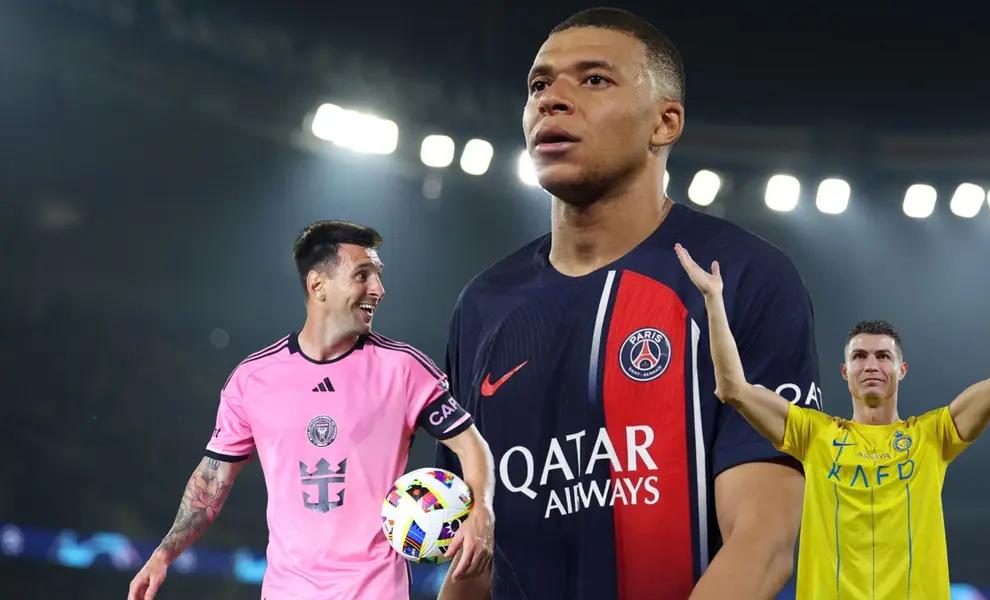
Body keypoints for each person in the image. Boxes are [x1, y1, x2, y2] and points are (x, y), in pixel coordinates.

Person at [436, 8, 822, 600]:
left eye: (594, 80)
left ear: (665, 123)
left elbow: (764, 543)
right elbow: (471, 561)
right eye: (539, 84)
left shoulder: (743, 278)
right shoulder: (484, 306)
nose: (552, 100)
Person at [675, 239, 990, 599]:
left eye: (883, 356)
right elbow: (733, 389)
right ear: (845, 371)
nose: (871, 364)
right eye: (860, 356)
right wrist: (714, 300)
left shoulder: (933, 435)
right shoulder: (813, 435)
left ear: (902, 369)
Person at [128, 221, 495, 600]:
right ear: (317, 285)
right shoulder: (253, 379)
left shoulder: (402, 368)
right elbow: (212, 480)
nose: (379, 290)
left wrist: (482, 509)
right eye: (362, 275)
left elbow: (472, 446)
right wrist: (164, 553)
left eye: (379, 277)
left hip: (375, 592)